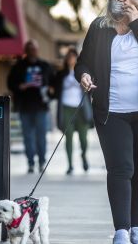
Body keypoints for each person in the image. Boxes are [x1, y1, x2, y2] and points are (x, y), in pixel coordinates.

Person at [74, 0, 138, 243]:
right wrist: (83, 76)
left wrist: (136, 23)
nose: (120, 0)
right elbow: (82, 63)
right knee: (120, 169)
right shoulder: (99, 27)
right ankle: (121, 231)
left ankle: (137, 228)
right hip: (110, 112)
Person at [7, 39, 54, 174]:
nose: (32, 51)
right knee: (28, 137)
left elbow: (53, 83)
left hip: (41, 106)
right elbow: (10, 84)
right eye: (29, 49)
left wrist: (49, 91)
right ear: (25, 51)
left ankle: (42, 161)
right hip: (24, 107)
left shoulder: (45, 65)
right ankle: (31, 162)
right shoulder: (18, 66)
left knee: (41, 136)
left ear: (37, 50)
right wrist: (20, 86)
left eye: (34, 49)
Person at [53, 48, 93, 175]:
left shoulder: (83, 73)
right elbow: (55, 90)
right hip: (66, 107)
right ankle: (70, 165)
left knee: (83, 138)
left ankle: (84, 156)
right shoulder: (61, 74)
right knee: (68, 137)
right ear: (66, 59)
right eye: (69, 57)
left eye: (74, 57)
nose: (71, 59)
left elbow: (90, 90)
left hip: (81, 108)